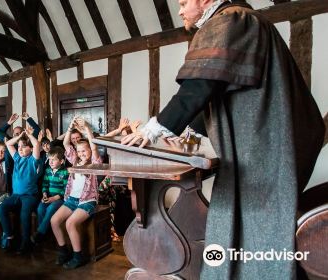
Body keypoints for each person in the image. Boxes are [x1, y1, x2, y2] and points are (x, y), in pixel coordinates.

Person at [121, 1, 325, 279]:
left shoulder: (232, 20)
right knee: (245, 225)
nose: (180, 11)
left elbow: (199, 86)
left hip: (263, 154)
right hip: (266, 150)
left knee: (259, 229)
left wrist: (151, 131)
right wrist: (186, 133)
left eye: (183, 3)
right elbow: (218, 93)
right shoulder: (247, 21)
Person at [50, 117, 102, 269]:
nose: (82, 153)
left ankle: (78, 256)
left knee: (70, 223)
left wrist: (86, 129)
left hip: (87, 201)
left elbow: (93, 148)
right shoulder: (74, 161)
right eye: (79, 151)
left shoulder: (93, 163)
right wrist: (70, 127)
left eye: (84, 150)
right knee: (54, 221)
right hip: (72, 199)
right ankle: (63, 251)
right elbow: (66, 143)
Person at [0, 126, 40, 254]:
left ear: (31, 149)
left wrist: (29, 134)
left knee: (24, 214)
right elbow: (8, 143)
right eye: (19, 146)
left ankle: (26, 242)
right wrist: (20, 136)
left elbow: (37, 144)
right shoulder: (16, 158)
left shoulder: (33, 160)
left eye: (23, 146)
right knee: (1, 207)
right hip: (16, 195)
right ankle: (9, 235)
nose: (20, 149)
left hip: (30, 196)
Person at [32, 146, 69, 244]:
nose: (50, 162)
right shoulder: (48, 170)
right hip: (48, 196)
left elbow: (66, 189)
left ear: (61, 161)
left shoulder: (65, 172)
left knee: (50, 208)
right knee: (40, 209)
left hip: (60, 199)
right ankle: (43, 233)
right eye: (49, 159)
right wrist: (44, 194)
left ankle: (40, 233)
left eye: (54, 160)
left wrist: (55, 198)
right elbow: (45, 184)